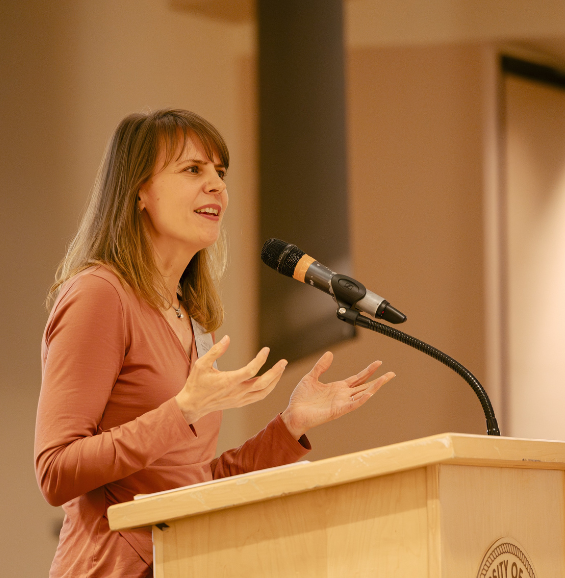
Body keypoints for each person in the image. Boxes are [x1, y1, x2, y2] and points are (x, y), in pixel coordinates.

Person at [34, 109, 395, 578]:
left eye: (220, 172)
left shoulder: (189, 314)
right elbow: (55, 471)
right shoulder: (100, 296)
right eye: (193, 170)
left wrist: (289, 427)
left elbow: (196, 484)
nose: (217, 186)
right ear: (139, 190)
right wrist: (180, 411)